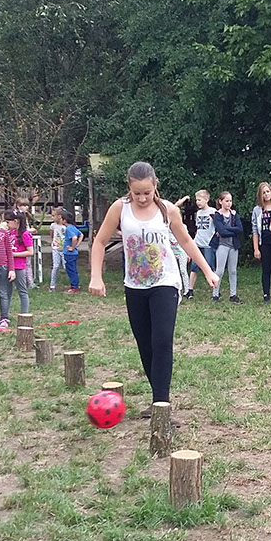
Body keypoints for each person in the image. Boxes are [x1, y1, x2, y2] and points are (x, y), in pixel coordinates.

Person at [88, 161, 219, 405]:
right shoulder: (120, 208)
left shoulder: (168, 210)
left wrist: (207, 270)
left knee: (162, 341)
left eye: (147, 192)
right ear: (129, 187)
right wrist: (96, 276)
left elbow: (186, 241)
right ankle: (157, 394)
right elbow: (100, 241)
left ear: (155, 185)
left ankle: (161, 404)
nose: (142, 198)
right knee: (145, 345)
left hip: (165, 283)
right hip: (134, 286)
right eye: (136, 193)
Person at [251, 182, 271, 303]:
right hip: (264, 242)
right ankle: (266, 294)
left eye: (268, 191)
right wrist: (256, 249)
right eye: (263, 193)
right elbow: (255, 230)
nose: (266, 194)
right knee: (266, 269)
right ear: (260, 195)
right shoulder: (257, 210)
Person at [211, 191, 244, 303]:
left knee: (233, 270)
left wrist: (227, 228)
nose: (229, 203)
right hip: (222, 245)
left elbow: (240, 229)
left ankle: (233, 294)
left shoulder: (234, 214)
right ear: (221, 201)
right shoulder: (217, 215)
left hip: (233, 246)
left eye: (230, 201)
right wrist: (232, 231)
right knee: (219, 271)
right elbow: (221, 231)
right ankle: (215, 294)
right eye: (227, 201)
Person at [186, 189, 217, 299]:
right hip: (198, 243)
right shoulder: (198, 213)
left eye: (199, 200)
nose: (197, 202)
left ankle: (215, 291)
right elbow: (198, 229)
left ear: (206, 200)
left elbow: (218, 226)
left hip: (208, 244)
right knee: (194, 267)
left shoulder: (213, 212)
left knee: (210, 267)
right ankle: (190, 290)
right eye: (196, 200)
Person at [6, 211, 34, 317]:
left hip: (19, 266)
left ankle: (24, 314)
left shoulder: (25, 234)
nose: (7, 224)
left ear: (15, 221)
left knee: (22, 290)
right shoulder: (11, 233)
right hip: (8, 265)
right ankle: (5, 314)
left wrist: (14, 254)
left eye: (8, 222)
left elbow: (30, 252)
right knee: (7, 291)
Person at [48, 207, 67, 292]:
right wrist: (53, 242)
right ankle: (52, 285)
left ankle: (73, 284)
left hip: (64, 249)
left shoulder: (65, 227)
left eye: (53, 216)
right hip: (56, 249)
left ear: (59, 216)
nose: (52, 217)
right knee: (55, 266)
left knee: (66, 266)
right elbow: (51, 234)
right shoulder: (53, 226)